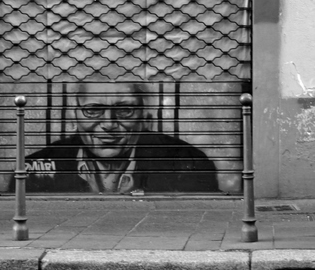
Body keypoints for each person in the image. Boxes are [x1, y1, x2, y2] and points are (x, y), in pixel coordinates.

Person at [23, 82, 219, 194]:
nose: (109, 124)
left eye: (125, 110)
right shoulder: (34, 168)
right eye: (93, 110)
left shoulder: (188, 163)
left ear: (145, 120)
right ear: (73, 119)